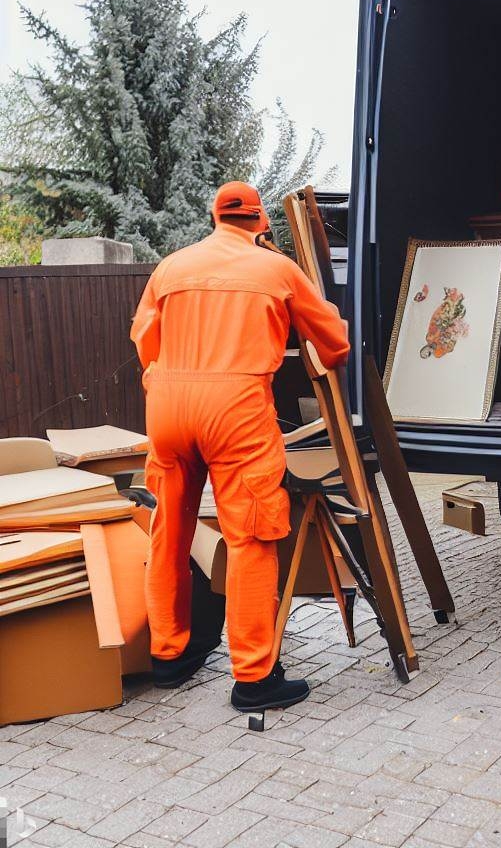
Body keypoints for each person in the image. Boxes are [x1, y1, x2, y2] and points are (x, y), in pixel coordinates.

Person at [130, 181, 350, 711]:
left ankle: (169, 656)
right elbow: (336, 346)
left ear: (214, 218)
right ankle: (254, 679)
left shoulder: (171, 267)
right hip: (236, 410)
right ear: (261, 222)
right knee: (251, 535)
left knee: (170, 530)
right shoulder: (276, 269)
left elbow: (145, 342)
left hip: (167, 406)